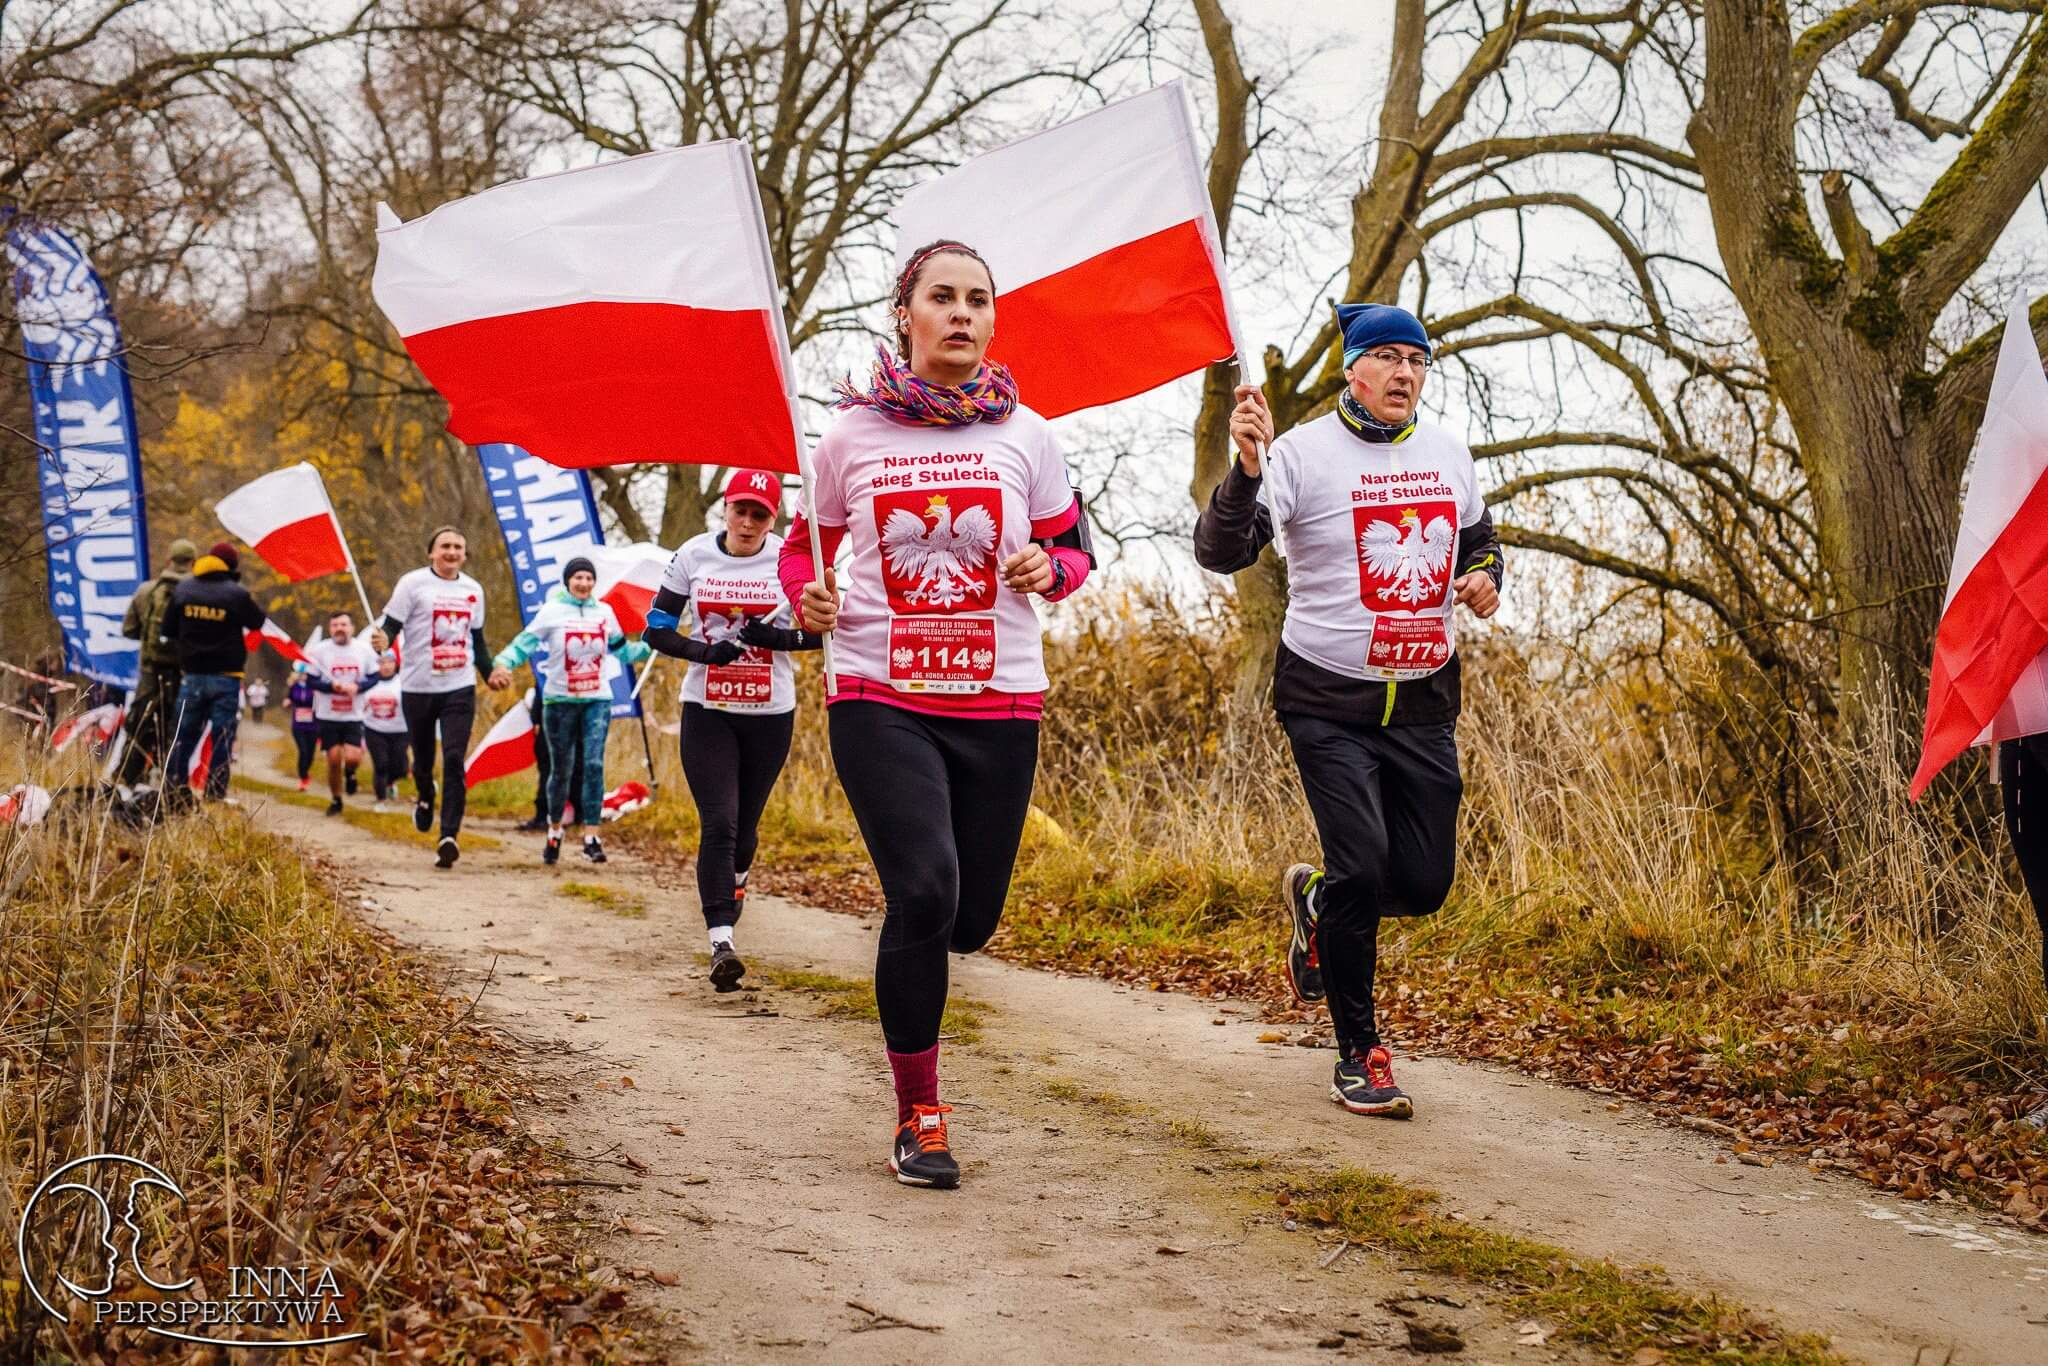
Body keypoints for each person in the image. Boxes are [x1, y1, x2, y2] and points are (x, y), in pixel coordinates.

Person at [781, 240, 1094, 1189]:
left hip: (1001, 698)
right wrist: (807, 598)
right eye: (943, 297)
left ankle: (939, 948)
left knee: (969, 920)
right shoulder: (848, 438)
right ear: (905, 314)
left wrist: (1050, 569)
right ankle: (919, 1113)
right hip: (879, 692)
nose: (962, 312)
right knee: (923, 892)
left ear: (993, 320)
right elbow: (802, 553)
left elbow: (1075, 550)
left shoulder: (1028, 436)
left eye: (978, 299)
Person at [1194, 303, 1503, 1120]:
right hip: (1327, 698)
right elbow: (1221, 550)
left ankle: (1318, 903)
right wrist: (1247, 471)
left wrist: (1485, 579)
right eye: (1388, 357)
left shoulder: (1448, 453)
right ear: (1352, 369)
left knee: (1425, 884)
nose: (1405, 373)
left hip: (1424, 702)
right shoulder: (1299, 454)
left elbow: (1481, 541)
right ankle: (1359, 1053)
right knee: (1362, 868)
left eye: (1418, 359)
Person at [645, 468, 821, 993]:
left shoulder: (790, 560)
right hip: (708, 709)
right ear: (725, 509)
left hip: (770, 712)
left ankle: (737, 880)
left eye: (759, 515)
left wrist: (779, 639)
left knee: (744, 830)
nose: (747, 523)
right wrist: (703, 652)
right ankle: (721, 942)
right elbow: (656, 629)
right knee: (719, 822)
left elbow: (824, 633)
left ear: (774, 518)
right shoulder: (693, 554)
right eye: (740, 510)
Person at [490, 557, 649, 864]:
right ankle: (554, 832)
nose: (584, 583)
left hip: (596, 700)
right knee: (561, 768)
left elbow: (623, 651)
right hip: (559, 701)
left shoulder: (605, 612)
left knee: (593, 765)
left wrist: (653, 644)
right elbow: (524, 644)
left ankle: (592, 837)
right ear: (567, 581)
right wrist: (503, 663)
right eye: (578, 577)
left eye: (589, 578)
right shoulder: (551, 611)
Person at [370, 527, 504, 868]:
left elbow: (478, 641)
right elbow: (391, 626)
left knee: (455, 758)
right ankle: (425, 794)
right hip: (418, 686)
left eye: (458, 547)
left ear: (465, 554)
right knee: (423, 759)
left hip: (459, 686)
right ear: (432, 552)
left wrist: (489, 673)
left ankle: (448, 836)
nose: (452, 552)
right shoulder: (412, 584)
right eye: (445, 546)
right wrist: (383, 640)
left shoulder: (473, 589)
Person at [162, 544, 267, 801]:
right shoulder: (236, 594)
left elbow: (167, 630)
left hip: (192, 676)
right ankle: (215, 793)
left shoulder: (183, 589)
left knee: (183, 735)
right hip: (227, 677)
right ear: (231, 566)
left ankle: (174, 791)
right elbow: (257, 621)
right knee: (222, 737)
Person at [118, 537, 197, 787]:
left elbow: (128, 630)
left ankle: (126, 781)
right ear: (193, 562)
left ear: (169, 560)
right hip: (184, 675)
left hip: (150, 674)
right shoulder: (198, 593)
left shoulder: (146, 591)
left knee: (139, 726)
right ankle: (169, 786)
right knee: (176, 729)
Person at [305, 611, 379, 816]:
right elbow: (311, 680)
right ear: (330, 629)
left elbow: (375, 676)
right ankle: (336, 799)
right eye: (335, 625)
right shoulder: (319, 651)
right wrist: (331, 687)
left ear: (352, 628)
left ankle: (351, 772)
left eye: (343, 625)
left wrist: (358, 687)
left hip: (354, 714)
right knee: (334, 759)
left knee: (353, 757)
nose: (339, 628)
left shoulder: (364, 650)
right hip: (328, 714)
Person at [361, 651, 411, 811]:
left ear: (396, 664)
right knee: (381, 764)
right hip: (374, 729)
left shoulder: (403, 682)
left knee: (400, 767)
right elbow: (359, 704)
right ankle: (381, 800)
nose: (386, 666)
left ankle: (390, 783)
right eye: (382, 663)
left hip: (400, 730)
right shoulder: (369, 683)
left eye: (390, 662)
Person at [287, 664, 320, 789]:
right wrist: (288, 702)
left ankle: (306, 772)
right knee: (303, 750)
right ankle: (303, 777)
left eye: (306, 674)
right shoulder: (293, 686)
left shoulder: (315, 687)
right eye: (301, 674)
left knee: (310, 753)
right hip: (298, 725)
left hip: (313, 725)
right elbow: (289, 698)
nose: (303, 676)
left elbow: (319, 706)